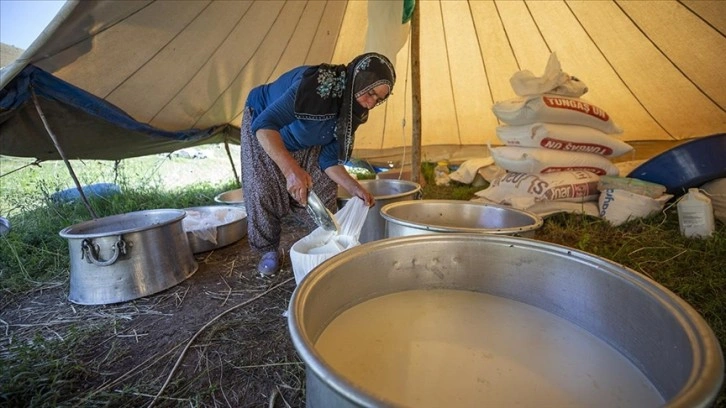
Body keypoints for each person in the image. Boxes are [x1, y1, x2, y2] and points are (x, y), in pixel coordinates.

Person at [240, 52, 396, 276]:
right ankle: (268, 250)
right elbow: (265, 125)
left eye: (379, 99)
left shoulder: (356, 111)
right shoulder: (318, 85)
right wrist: (291, 170)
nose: (372, 103)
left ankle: (326, 248)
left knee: (322, 191)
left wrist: (354, 188)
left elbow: (328, 159)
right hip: (267, 127)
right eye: (370, 92)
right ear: (359, 78)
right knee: (262, 189)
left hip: (308, 135)